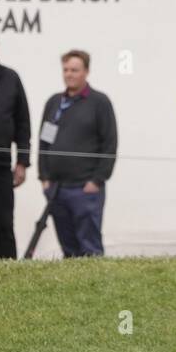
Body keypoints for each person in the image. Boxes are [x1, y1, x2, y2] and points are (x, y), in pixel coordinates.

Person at [38, 50, 118, 257]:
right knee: (69, 249)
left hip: (85, 189)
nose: (69, 74)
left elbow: (109, 143)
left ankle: (94, 288)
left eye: (74, 70)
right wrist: (44, 178)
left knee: (90, 248)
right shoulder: (54, 103)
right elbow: (44, 141)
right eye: (65, 70)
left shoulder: (99, 102)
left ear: (86, 72)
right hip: (57, 189)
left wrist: (97, 180)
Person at [0, 31, 31, 258]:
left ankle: (7, 270)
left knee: (3, 222)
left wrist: (23, 162)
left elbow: (23, 123)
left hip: (0, 167)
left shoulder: (10, 78)